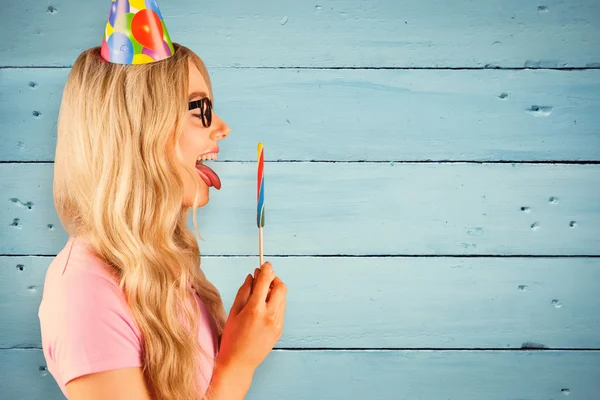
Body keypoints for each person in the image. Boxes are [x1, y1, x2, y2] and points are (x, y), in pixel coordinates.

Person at [37, 1, 287, 399]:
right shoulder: (84, 292)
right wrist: (238, 363)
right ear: (135, 132)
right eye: (198, 110)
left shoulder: (161, 269)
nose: (221, 128)